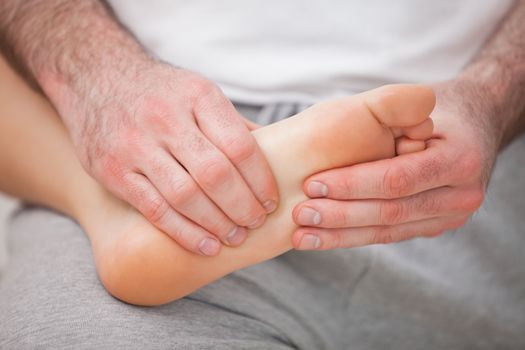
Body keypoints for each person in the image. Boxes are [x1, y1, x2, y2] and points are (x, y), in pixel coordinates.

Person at [0, 1, 524, 349]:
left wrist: (493, 96)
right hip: (132, 121)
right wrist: (98, 77)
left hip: (466, 147)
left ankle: (102, 204)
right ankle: (118, 200)